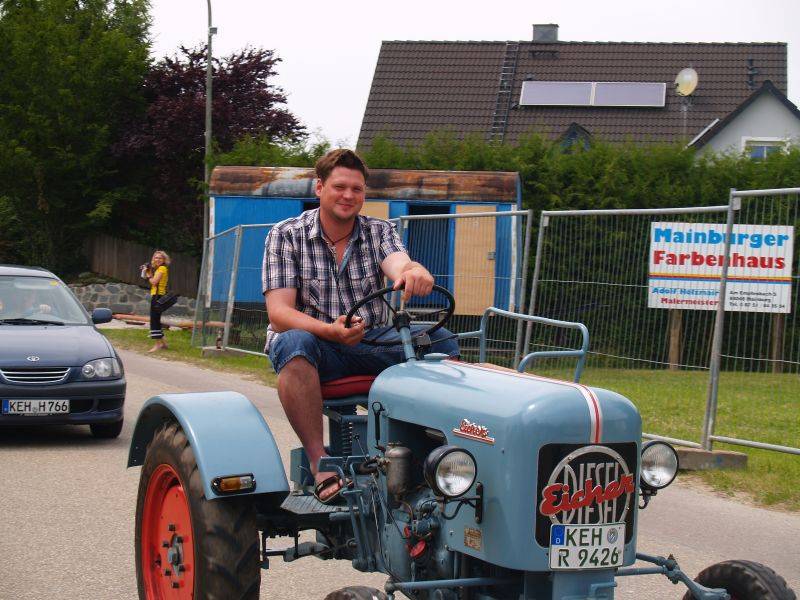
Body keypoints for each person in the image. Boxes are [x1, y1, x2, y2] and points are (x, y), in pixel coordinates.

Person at [263, 149, 459, 502]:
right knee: (293, 342)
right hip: (317, 346)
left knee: (440, 341)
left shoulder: (379, 231)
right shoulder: (285, 235)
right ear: (320, 188)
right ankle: (320, 463)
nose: (348, 195)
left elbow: (399, 263)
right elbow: (279, 313)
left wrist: (414, 272)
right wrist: (330, 331)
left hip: (369, 342)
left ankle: (437, 459)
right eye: (340, 187)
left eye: (357, 189)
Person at [144, 250, 171, 352]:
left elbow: (154, 282)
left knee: (154, 321)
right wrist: (148, 272)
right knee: (156, 319)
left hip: (157, 297)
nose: (158, 259)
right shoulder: (159, 268)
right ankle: (164, 344)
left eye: (160, 258)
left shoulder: (162, 268)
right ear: (153, 259)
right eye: (156, 257)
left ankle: (157, 345)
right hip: (158, 295)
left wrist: (149, 275)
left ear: (164, 260)